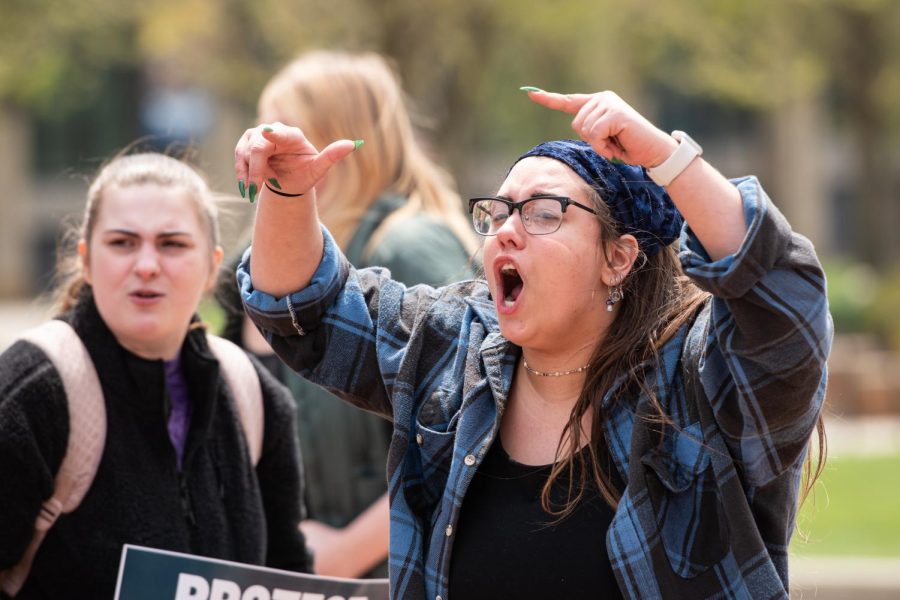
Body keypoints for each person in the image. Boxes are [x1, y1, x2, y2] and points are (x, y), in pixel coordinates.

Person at [233, 89, 832, 599]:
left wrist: (667, 159)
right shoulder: (454, 345)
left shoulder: (697, 376)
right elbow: (306, 313)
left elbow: (782, 297)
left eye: (545, 213)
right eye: (498, 212)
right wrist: (288, 193)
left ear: (619, 258)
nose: (507, 231)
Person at [0, 153, 310, 599]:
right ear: (86, 261)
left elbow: (288, 575)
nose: (146, 264)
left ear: (211, 267)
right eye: (123, 243)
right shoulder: (35, 390)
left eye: (172, 244)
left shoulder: (255, 396)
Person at [219, 50, 477, 578]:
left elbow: (469, 430)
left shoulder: (407, 245)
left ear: (339, 138)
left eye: (284, 135)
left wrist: (343, 552)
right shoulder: (280, 260)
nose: (268, 153)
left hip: (383, 574)